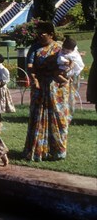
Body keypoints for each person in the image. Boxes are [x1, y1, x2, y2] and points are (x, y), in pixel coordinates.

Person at [23, 21, 73, 161]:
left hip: (57, 90)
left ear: (51, 34)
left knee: (58, 118)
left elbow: (71, 64)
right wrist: (34, 79)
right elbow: (30, 67)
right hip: (40, 88)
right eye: (37, 33)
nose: (39, 36)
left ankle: (58, 151)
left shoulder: (60, 48)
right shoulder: (34, 48)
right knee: (38, 117)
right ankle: (40, 150)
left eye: (42, 34)